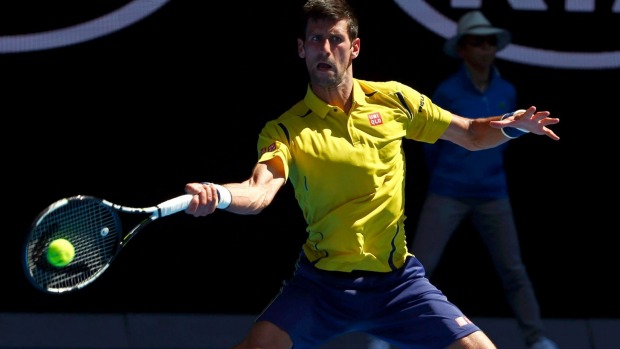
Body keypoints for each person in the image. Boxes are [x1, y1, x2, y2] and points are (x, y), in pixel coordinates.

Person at [183, 1, 559, 348]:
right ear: (302, 49)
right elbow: (258, 192)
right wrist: (220, 194)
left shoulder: (394, 100)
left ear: (355, 48)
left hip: (398, 284)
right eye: (316, 39)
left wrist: (513, 127)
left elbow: (472, 134)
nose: (325, 49)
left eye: (335, 39)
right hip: (322, 286)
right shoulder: (285, 130)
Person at [404, 11, 559, 349]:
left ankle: (536, 339)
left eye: (490, 42)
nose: (486, 48)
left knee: (513, 270)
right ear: (463, 49)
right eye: (477, 42)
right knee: (417, 267)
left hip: (493, 193)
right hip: (447, 190)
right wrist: (451, 174)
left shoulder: (507, 89)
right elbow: (431, 144)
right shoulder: (445, 91)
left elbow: (507, 140)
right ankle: (383, 335)